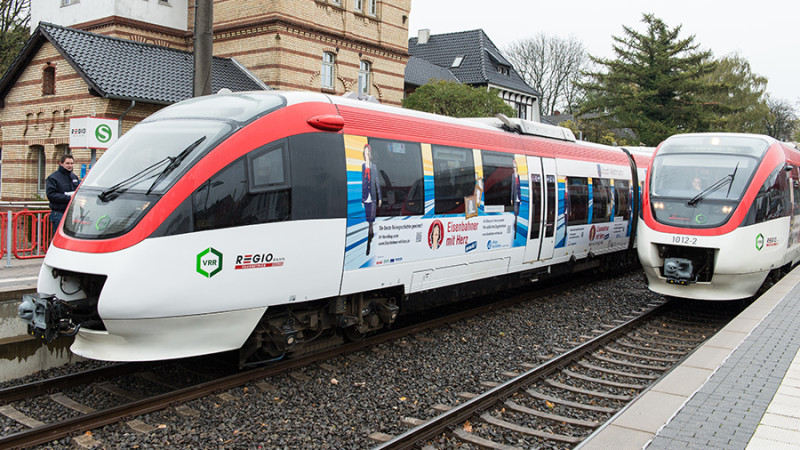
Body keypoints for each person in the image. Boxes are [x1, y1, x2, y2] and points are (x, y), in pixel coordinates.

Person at [46, 154, 80, 230]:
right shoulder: (53, 178)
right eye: (67, 163)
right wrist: (68, 197)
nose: (70, 166)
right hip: (59, 212)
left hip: (72, 212)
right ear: (61, 164)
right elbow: (51, 195)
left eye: (71, 163)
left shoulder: (74, 177)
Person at [361, 144, 381, 255]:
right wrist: (362, 199)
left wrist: (380, 198)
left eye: (368, 152)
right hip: (366, 197)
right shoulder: (363, 166)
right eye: (365, 152)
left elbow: (377, 182)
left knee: (371, 220)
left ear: (370, 154)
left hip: (373, 196)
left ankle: (369, 240)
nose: (366, 154)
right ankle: (371, 235)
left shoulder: (374, 166)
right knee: (368, 219)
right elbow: (363, 182)